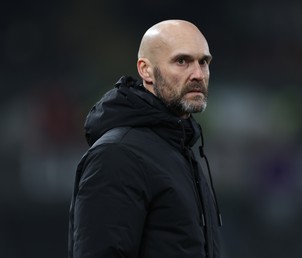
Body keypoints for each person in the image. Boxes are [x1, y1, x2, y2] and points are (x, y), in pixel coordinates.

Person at [68, 19, 222, 258]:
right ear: (145, 70)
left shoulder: (180, 150)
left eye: (204, 62)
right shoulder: (117, 155)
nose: (198, 74)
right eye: (182, 61)